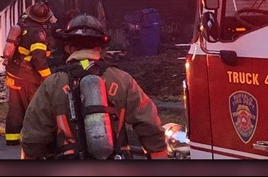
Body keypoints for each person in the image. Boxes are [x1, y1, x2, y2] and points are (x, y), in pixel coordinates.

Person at [20, 14, 168, 160]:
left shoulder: (53, 84)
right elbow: (149, 124)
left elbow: (33, 136)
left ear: (68, 47)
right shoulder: (123, 79)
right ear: (100, 47)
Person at [4, 1, 55, 146]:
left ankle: (12, 140)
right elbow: (39, 58)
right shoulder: (37, 33)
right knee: (33, 108)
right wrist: (47, 77)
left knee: (15, 108)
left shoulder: (22, 25)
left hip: (13, 74)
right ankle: (33, 140)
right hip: (28, 77)